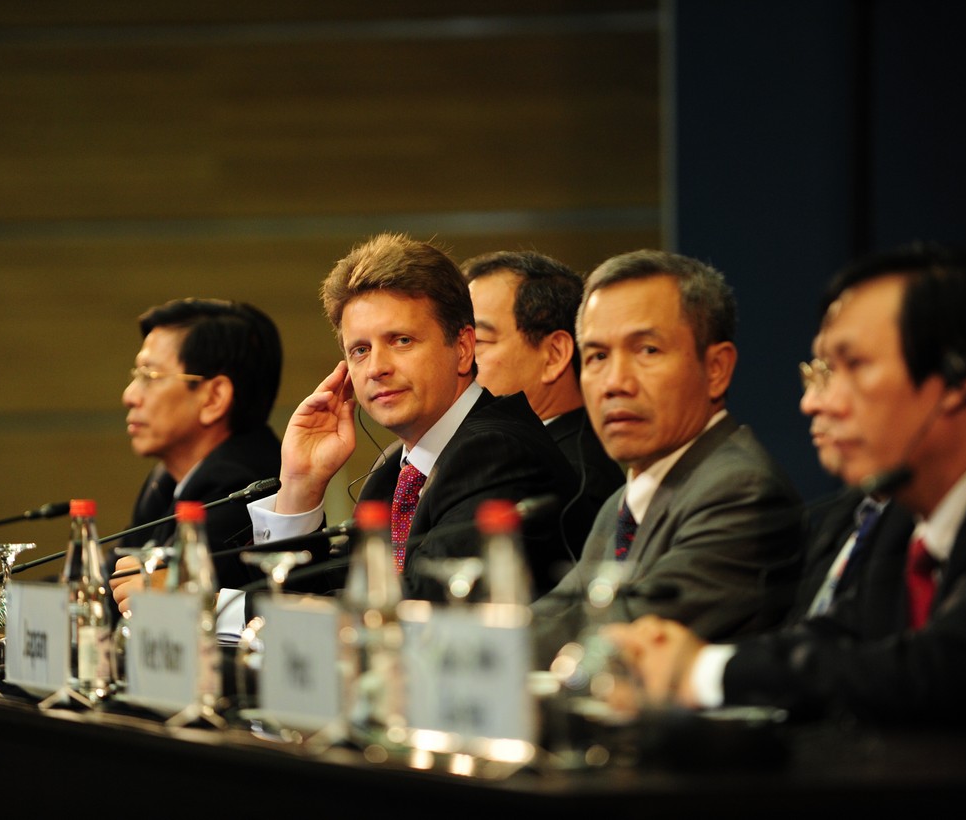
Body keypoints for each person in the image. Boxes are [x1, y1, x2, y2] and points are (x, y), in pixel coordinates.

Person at [607, 245, 966, 727]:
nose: (814, 403)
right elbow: (834, 637)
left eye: (853, 365)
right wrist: (682, 657)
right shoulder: (900, 517)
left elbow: (939, 671)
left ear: (958, 376)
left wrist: (702, 671)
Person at [247, 232, 595, 601]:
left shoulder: (497, 452)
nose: (376, 368)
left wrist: (263, 611)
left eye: (401, 341)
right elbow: (333, 589)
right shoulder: (393, 470)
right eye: (360, 350)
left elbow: (426, 606)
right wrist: (300, 486)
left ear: (463, 348)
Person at [531, 249, 804, 667]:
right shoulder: (624, 502)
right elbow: (556, 614)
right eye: (598, 356)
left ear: (716, 369)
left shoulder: (741, 491)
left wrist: (474, 656)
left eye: (647, 350)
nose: (615, 383)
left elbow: (620, 637)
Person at [109, 298, 283, 612]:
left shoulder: (242, 488)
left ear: (214, 398)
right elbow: (106, 577)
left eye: (150, 376)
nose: (129, 395)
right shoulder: (168, 478)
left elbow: (140, 607)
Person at [462, 250, 625, 525]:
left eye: (478, 341)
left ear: (554, 355)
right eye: (457, 342)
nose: (461, 358)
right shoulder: (505, 454)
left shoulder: (572, 481)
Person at [788, 335, 910, 624]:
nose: (809, 402)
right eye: (814, 375)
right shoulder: (845, 514)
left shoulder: (918, 525)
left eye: (850, 368)